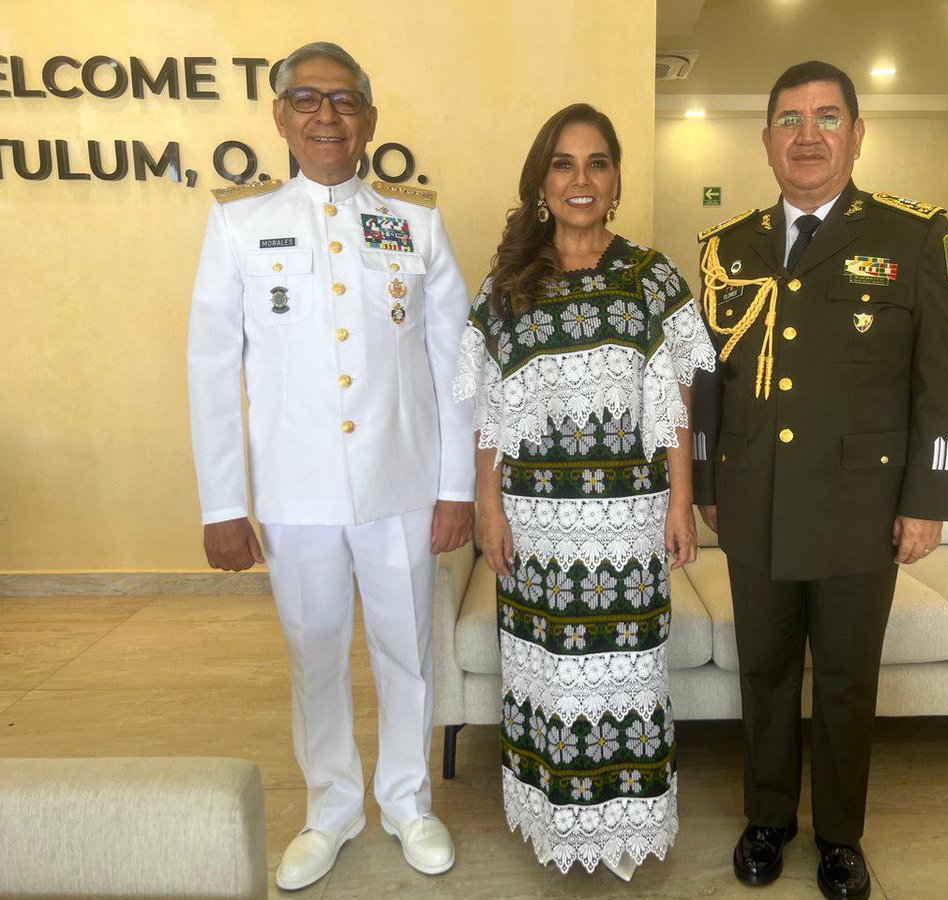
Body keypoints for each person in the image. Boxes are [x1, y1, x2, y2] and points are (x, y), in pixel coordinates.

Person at [187, 41, 474, 891]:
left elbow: (454, 366)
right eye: (306, 100)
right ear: (279, 116)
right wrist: (221, 502)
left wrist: (455, 487)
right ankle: (332, 808)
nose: (325, 116)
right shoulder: (238, 223)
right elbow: (211, 369)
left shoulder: (416, 222)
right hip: (295, 493)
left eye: (343, 100)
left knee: (406, 651)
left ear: (369, 119)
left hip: (401, 484)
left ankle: (409, 800)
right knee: (313, 652)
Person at [690, 61, 948, 898]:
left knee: (846, 681)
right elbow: (705, 380)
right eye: (789, 120)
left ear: (856, 132)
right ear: (766, 139)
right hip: (756, 503)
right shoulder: (724, 246)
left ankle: (841, 837)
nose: (807, 136)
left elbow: (940, 384)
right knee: (765, 672)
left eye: (826, 117)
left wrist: (928, 498)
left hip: (859, 506)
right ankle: (768, 818)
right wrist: (705, 480)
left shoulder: (912, 235)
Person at [453, 103, 716, 879]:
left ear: (616, 179)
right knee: (546, 680)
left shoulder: (649, 276)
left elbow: (675, 403)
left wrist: (678, 503)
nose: (580, 179)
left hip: (626, 526)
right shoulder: (506, 285)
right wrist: (488, 507)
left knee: (627, 676)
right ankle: (555, 826)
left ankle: (620, 832)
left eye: (596, 163)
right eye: (563, 164)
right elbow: (490, 413)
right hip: (533, 528)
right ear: (542, 179)